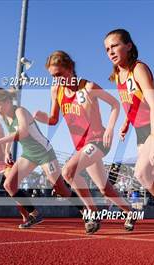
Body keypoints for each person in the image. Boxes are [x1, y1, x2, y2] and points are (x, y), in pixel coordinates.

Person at [33, 50, 136, 233]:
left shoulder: (88, 87)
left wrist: (110, 129)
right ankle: (130, 212)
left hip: (98, 140)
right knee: (105, 190)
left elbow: (114, 104)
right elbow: (54, 119)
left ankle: (91, 213)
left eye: (59, 75)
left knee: (68, 171)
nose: (56, 80)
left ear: (70, 68)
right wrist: (40, 117)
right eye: (53, 76)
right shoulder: (56, 90)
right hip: (82, 146)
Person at [104, 29, 154, 238]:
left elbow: (152, 103)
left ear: (129, 46)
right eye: (107, 49)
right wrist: (126, 123)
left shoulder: (138, 69)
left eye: (114, 46)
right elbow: (132, 103)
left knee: (142, 173)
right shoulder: (118, 75)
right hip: (141, 128)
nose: (110, 51)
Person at [0, 88, 86, 231]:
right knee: (9, 185)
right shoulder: (3, 117)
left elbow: (23, 132)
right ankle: (34, 214)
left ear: (7, 102)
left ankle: (85, 211)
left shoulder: (20, 111)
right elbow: (11, 133)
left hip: (44, 153)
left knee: (61, 189)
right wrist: (7, 151)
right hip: (28, 154)